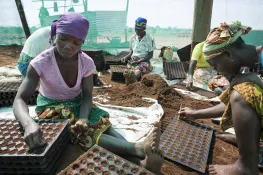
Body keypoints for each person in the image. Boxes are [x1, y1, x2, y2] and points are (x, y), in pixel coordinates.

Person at [13, 12, 163, 174]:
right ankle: (137, 150)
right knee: (82, 132)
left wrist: (84, 118)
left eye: (76, 43)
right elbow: (20, 99)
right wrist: (28, 123)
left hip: (78, 103)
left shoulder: (86, 63)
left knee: (101, 124)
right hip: (52, 108)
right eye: (63, 39)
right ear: (55, 35)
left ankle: (142, 162)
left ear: (82, 43)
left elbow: (87, 95)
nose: (68, 46)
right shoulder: (40, 63)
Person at [179, 20, 263, 175]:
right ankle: (250, 143)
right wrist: (194, 114)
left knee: (242, 91)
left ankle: (246, 168)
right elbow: (234, 104)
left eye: (215, 66)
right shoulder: (249, 66)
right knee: (239, 92)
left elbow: (240, 99)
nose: (217, 71)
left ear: (228, 55)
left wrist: (257, 80)